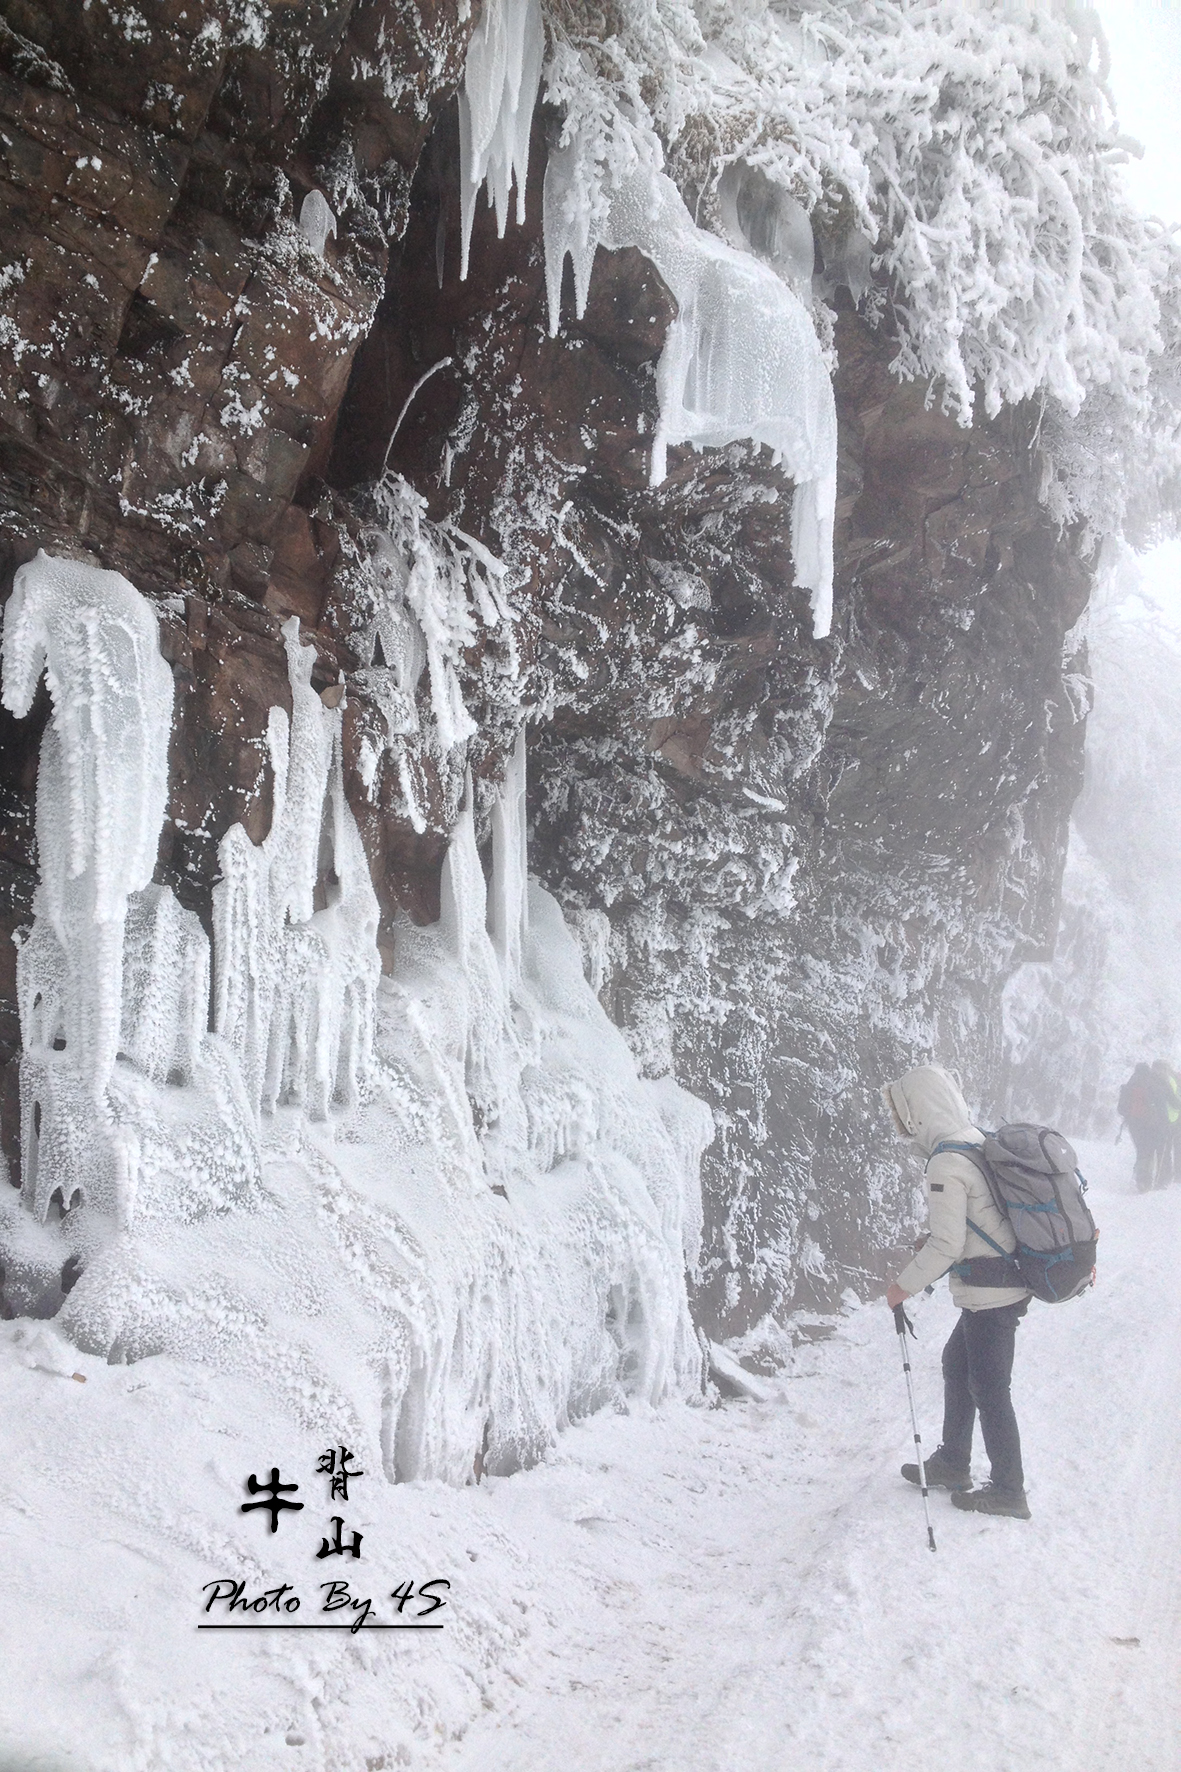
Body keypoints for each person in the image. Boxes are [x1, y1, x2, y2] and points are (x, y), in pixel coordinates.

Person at [883, 1064, 1032, 1520]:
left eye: (903, 1112)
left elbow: (949, 1243)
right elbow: (973, 1223)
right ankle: (953, 1462)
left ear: (919, 1110)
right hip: (998, 1281)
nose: (901, 1124)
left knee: (989, 1386)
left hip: (992, 1291)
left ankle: (1009, 1490)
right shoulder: (973, 1140)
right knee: (957, 1365)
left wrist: (901, 1287)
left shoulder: (945, 1162)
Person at [1118, 1063, 1166, 1190]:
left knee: (1141, 1150)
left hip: (1134, 1124)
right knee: (1149, 1151)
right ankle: (1146, 1180)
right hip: (1150, 1123)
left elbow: (1121, 1109)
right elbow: (1161, 1105)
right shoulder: (1152, 1084)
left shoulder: (1130, 1084)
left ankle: (1140, 1178)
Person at [1150, 1060, 1180, 1185]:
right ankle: (1172, 1175)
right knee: (1171, 1148)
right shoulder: (1168, 1081)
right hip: (1170, 1119)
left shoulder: (1166, 1080)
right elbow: (1174, 1101)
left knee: (1166, 1148)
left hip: (1164, 1119)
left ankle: (1165, 1176)